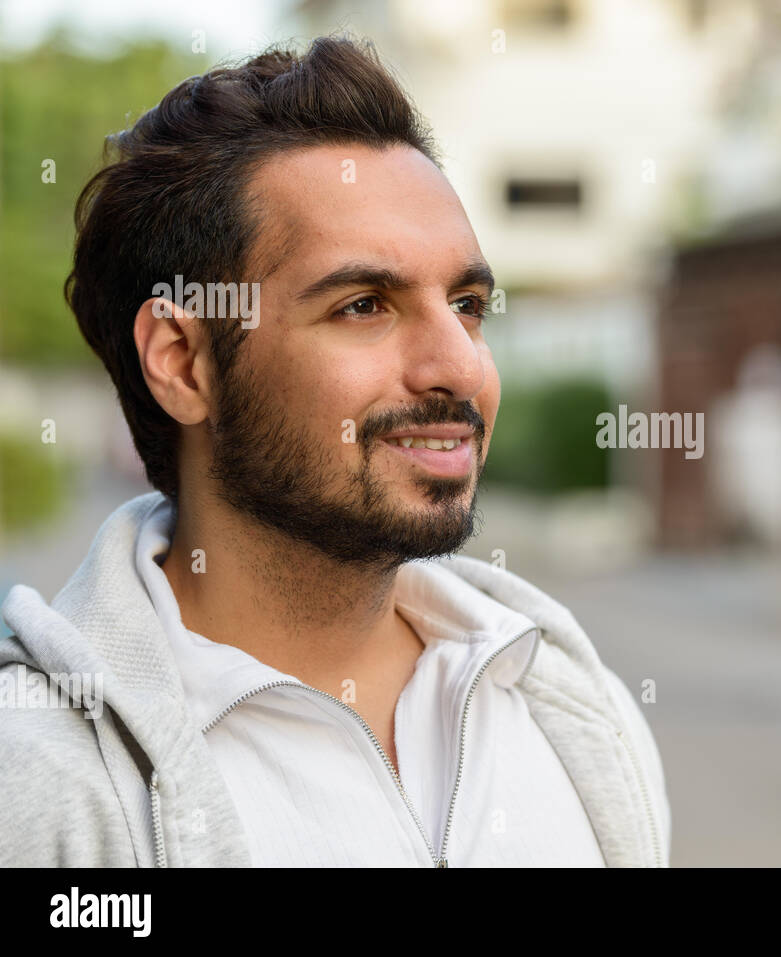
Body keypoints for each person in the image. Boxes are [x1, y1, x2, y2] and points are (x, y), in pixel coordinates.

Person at [0, 36, 669, 867]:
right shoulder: (35, 789)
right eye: (363, 305)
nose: (462, 366)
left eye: (467, 303)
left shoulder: (571, 711)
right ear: (182, 361)